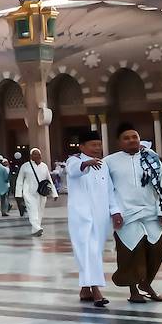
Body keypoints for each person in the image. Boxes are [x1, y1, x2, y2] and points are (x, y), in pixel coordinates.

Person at [107, 126, 162, 303]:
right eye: (126, 138)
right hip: (125, 214)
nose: (131, 140)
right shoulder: (109, 162)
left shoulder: (151, 158)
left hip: (151, 212)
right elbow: (106, 190)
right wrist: (114, 211)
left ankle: (146, 283)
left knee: (159, 248)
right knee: (130, 252)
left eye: (134, 136)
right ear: (119, 142)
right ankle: (133, 290)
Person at [66, 130, 118, 308]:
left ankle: (85, 288)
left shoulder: (103, 165)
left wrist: (115, 211)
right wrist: (86, 164)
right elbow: (74, 171)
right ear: (82, 147)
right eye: (93, 145)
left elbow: (110, 191)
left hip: (101, 217)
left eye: (99, 144)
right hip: (81, 217)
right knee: (89, 251)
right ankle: (96, 290)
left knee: (94, 251)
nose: (97, 148)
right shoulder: (74, 161)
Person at [18, 148, 58, 237]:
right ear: (31, 156)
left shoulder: (44, 166)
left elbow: (49, 180)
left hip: (42, 192)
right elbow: (19, 180)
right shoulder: (25, 166)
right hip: (29, 193)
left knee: (40, 211)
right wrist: (18, 194)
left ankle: (35, 229)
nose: (37, 156)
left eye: (38, 154)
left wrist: (54, 193)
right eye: (35, 154)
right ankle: (37, 227)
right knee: (33, 210)